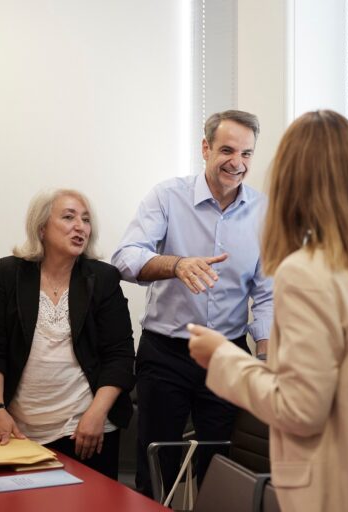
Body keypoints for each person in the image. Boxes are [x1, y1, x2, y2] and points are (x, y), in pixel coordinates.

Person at [187, 110, 348, 511]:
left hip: (342, 489)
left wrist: (223, 358)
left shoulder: (307, 271)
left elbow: (299, 409)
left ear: (291, 182)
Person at [111, 109, 274, 497]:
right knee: (156, 464)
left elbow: (266, 289)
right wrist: (176, 265)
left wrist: (264, 356)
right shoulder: (167, 197)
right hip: (165, 352)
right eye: (227, 150)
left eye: (247, 154)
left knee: (220, 467)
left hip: (226, 354)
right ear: (205, 148)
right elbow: (124, 258)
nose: (237, 163)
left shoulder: (264, 211)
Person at [0, 189, 135, 480]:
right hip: (20, 432)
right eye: (68, 217)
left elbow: (120, 356)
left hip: (87, 431)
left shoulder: (102, 278)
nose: (80, 226)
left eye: (86, 220)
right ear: (41, 228)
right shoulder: (9, 274)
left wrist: (96, 415)